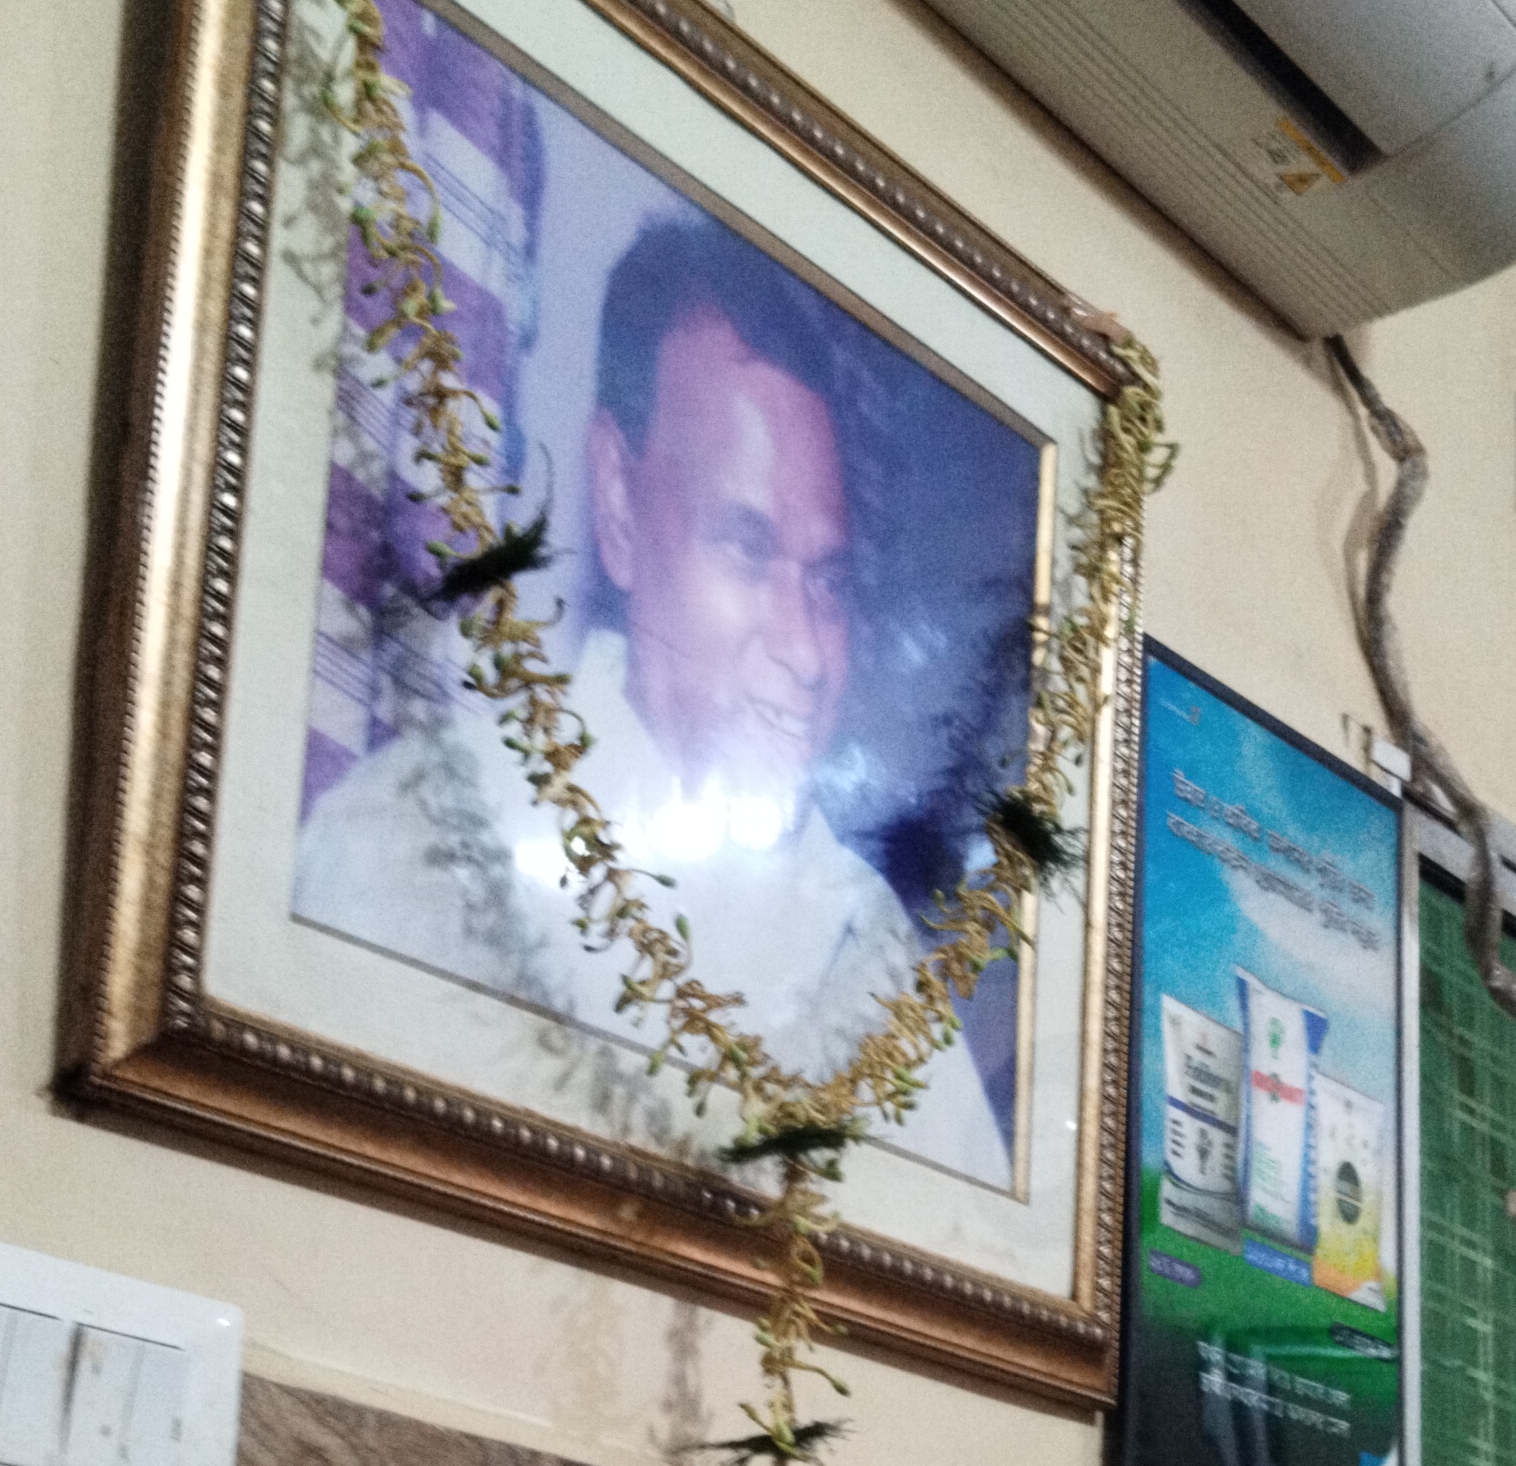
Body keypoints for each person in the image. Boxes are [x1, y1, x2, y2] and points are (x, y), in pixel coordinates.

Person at [292, 211, 1011, 1186]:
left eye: (829, 582)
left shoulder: (868, 941)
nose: (807, 651)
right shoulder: (421, 839)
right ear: (620, 505)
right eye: (746, 547)